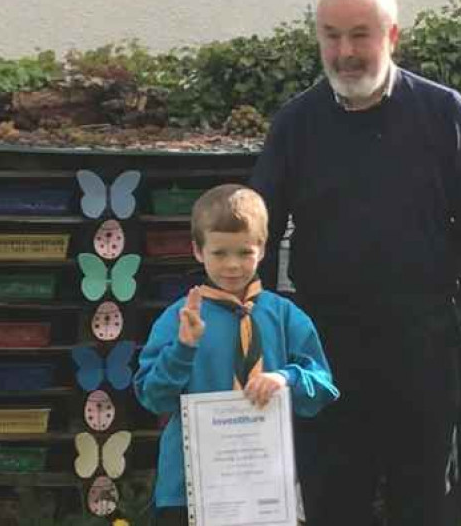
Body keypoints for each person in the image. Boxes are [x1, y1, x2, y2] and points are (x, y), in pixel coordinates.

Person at [248, 0, 461, 526]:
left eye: (360, 34)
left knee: (425, 506)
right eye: (331, 35)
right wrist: (249, 338)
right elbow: (258, 236)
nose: (345, 51)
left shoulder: (444, 114)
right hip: (322, 352)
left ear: (392, 36)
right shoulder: (296, 125)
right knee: (331, 505)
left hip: (420, 348)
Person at [133, 183, 339, 526]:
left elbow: (323, 387)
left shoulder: (286, 316)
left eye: (244, 252)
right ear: (198, 251)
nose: (232, 265)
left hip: (266, 487)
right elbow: (153, 399)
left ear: (262, 248)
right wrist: (183, 349)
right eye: (219, 253)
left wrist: (284, 378)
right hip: (189, 490)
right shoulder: (179, 318)